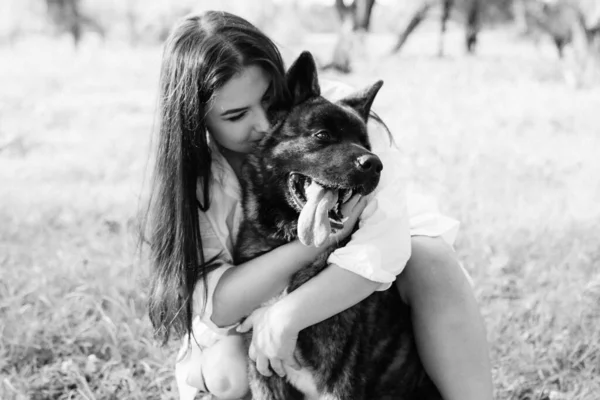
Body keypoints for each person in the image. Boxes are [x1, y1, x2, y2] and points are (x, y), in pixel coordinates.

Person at [145, 10, 493, 400]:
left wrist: (286, 316)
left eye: (269, 98)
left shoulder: (343, 115)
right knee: (227, 373)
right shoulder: (195, 177)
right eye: (237, 115)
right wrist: (314, 242)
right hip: (240, 322)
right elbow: (218, 306)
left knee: (431, 256)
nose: (262, 124)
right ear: (198, 121)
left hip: (360, 308)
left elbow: (385, 248)